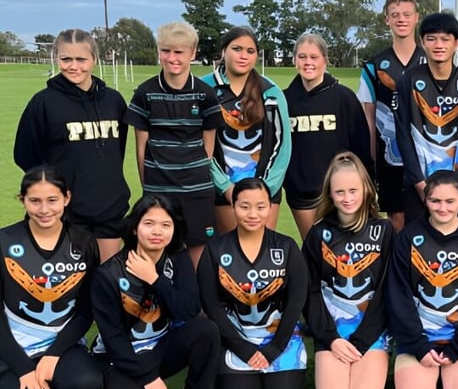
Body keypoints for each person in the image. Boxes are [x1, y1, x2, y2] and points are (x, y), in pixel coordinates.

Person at [93, 194, 223, 389]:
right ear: (134, 228)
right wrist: (147, 378)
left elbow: (188, 309)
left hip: (161, 347)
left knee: (205, 330)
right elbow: (114, 339)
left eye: (166, 225)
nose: (158, 232)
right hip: (122, 359)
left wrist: (155, 278)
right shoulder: (107, 274)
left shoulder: (178, 259)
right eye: (149, 223)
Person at [0, 168, 102, 389]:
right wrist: (23, 369)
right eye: (35, 201)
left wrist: (54, 354)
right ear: (23, 200)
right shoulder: (5, 242)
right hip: (11, 354)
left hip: (60, 347)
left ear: (66, 199)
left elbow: (85, 311)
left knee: (87, 382)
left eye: (52, 200)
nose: (44, 209)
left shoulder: (83, 242)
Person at [15, 28, 129, 262]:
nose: (73, 66)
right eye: (66, 59)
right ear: (57, 58)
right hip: (66, 214)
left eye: (81, 59)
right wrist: (54, 193)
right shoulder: (43, 103)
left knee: (106, 284)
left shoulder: (113, 100)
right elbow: (26, 156)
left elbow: (118, 149)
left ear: (94, 60)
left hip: (109, 209)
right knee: (68, 287)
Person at [197, 178, 308, 389]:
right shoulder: (215, 249)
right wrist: (243, 349)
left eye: (260, 206)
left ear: (270, 207)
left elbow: (296, 302)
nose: (252, 214)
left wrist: (274, 349)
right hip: (235, 337)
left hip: (278, 338)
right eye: (244, 206)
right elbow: (211, 305)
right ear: (233, 207)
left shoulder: (286, 247)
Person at [387, 171, 458, 389]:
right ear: (425, 201)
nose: (442, 208)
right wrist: (419, 346)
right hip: (419, 336)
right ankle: (429, 375)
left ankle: (449, 373)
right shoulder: (408, 237)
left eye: (450, 201)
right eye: (435, 201)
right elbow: (398, 296)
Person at [125, 20, 223, 267]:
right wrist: (148, 185)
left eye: (179, 52)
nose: (172, 58)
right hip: (159, 189)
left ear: (192, 54)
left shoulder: (205, 94)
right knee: (159, 254)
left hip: (197, 189)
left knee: (197, 254)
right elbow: (141, 146)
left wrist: (195, 174)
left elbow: (208, 145)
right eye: (166, 51)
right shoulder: (145, 93)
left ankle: (195, 305)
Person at [303, 153, 392, 389]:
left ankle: (372, 365)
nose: (347, 198)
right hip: (333, 332)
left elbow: (389, 291)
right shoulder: (318, 234)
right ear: (330, 194)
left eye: (353, 190)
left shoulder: (384, 231)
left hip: (370, 330)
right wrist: (330, 338)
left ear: (366, 189)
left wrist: (363, 340)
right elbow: (309, 291)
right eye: (339, 191)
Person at [394, 13, 458, 223]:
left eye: (445, 39)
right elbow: (403, 134)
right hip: (419, 184)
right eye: (432, 38)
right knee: (419, 246)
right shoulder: (408, 81)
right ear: (422, 42)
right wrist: (418, 181)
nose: (439, 45)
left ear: (456, 43)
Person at [284, 33, 373, 239]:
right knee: (314, 253)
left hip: (341, 193)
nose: (308, 63)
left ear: (325, 59)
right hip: (302, 194)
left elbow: (360, 146)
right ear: (295, 59)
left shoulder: (344, 97)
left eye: (314, 57)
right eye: (302, 57)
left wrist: (365, 185)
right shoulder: (285, 100)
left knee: (344, 251)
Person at [204, 26, 291, 235]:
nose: (244, 56)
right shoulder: (204, 88)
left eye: (250, 51)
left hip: (264, 191)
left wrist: (265, 190)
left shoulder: (271, 91)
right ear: (224, 51)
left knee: (262, 257)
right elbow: (199, 145)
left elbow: (283, 146)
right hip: (222, 190)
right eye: (237, 49)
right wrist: (225, 187)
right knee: (230, 257)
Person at [359, 0, 426, 231]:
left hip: (426, 156)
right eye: (395, 15)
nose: (401, 19)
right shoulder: (373, 66)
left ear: (417, 18)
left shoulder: (433, 61)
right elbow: (368, 116)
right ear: (386, 19)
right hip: (390, 159)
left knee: (428, 217)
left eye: (407, 14)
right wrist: (370, 163)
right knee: (396, 220)